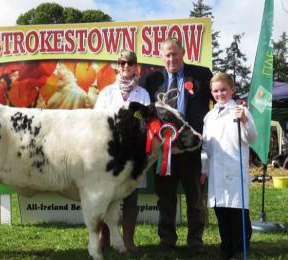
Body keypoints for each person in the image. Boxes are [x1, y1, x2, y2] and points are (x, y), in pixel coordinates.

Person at [144, 37, 213, 255]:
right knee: (165, 198)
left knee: (195, 198)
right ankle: (167, 241)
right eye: (167, 55)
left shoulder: (202, 74)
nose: (171, 58)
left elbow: (219, 97)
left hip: (192, 148)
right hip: (165, 150)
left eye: (175, 54)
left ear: (183, 53)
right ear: (161, 56)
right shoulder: (153, 79)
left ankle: (195, 242)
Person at [94, 49, 150, 252]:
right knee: (105, 198)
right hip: (110, 156)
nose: (126, 66)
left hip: (134, 155)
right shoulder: (106, 93)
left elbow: (146, 123)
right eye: (122, 62)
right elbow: (97, 123)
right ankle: (103, 239)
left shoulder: (143, 94)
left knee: (130, 199)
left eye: (130, 62)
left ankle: (128, 241)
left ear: (136, 66)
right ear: (118, 65)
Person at [200, 73, 257, 260]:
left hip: (234, 171)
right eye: (216, 91)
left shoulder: (241, 111)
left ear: (232, 89)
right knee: (221, 213)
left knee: (237, 213)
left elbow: (252, 138)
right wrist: (204, 170)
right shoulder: (208, 117)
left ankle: (240, 249)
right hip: (216, 173)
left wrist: (245, 121)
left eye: (224, 89)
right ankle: (226, 248)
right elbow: (206, 146)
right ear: (211, 92)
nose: (220, 93)